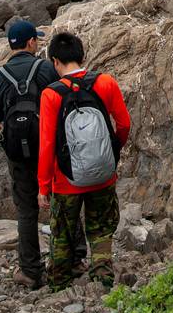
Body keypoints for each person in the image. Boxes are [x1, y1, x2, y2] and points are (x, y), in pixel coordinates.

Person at [0, 19, 84, 289]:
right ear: (30, 42)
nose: (39, 43)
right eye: (37, 39)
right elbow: (62, 100)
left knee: (26, 210)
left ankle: (30, 271)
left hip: (17, 153)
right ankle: (74, 260)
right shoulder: (44, 69)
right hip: (49, 147)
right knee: (63, 198)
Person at [37, 32, 131, 291]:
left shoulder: (51, 94)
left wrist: (44, 186)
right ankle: (102, 281)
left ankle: (59, 285)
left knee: (63, 234)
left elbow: (46, 145)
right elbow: (124, 124)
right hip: (104, 174)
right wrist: (111, 152)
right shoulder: (106, 82)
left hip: (65, 180)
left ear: (55, 61)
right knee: (101, 229)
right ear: (82, 55)